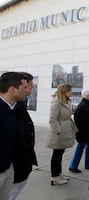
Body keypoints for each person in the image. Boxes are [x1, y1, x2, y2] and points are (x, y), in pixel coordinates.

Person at [0, 72, 31, 200]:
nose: (28, 90)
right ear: (12, 90)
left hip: (10, 167)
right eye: (25, 87)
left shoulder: (17, 108)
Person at [10, 72, 38, 200]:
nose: (30, 89)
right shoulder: (12, 106)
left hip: (23, 159)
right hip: (14, 163)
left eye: (30, 86)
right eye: (27, 86)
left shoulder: (20, 103)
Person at [45, 83, 77, 185]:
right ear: (64, 91)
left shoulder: (66, 101)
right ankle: (54, 176)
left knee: (60, 155)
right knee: (56, 155)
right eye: (69, 90)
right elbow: (52, 120)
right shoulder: (56, 103)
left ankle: (58, 174)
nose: (71, 92)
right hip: (59, 134)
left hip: (65, 132)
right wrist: (59, 130)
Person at [69, 90, 89, 173]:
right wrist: (80, 133)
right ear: (86, 96)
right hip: (83, 133)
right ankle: (73, 166)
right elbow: (78, 121)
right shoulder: (83, 106)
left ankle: (88, 164)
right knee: (80, 149)